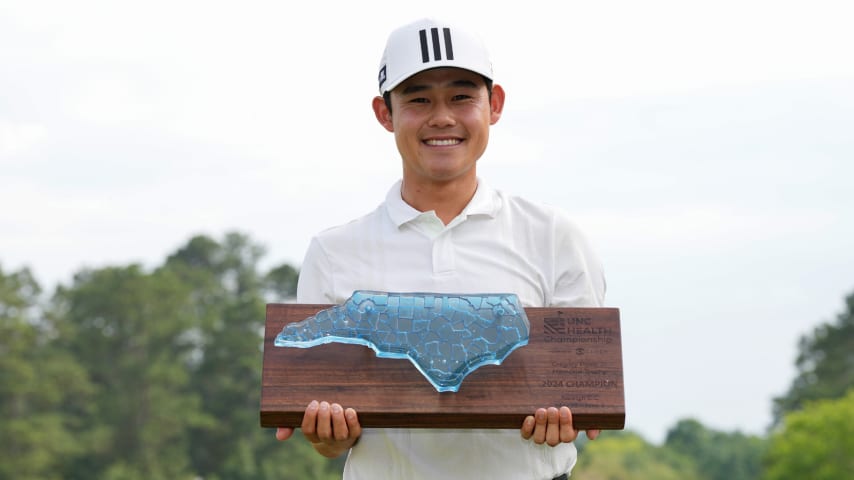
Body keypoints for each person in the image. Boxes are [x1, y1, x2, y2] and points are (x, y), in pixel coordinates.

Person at [276, 17, 606, 480]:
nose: (442, 117)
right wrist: (329, 436)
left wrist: (569, 415)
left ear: (494, 104)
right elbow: (330, 438)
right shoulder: (334, 252)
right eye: (418, 99)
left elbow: (583, 390)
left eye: (461, 96)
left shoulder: (554, 235)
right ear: (384, 113)